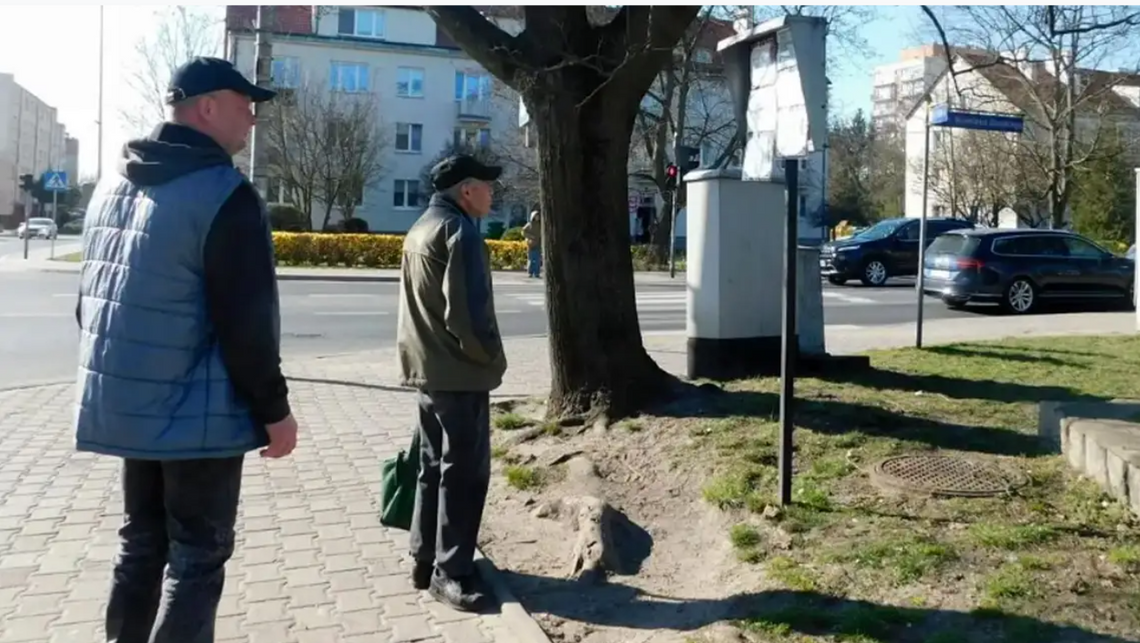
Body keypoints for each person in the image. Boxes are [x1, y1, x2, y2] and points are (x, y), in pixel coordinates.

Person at [74, 57, 298, 643]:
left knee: (141, 545)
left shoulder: (111, 185)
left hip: (131, 406)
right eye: (244, 104)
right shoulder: (226, 194)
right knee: (198, 557)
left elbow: (89, 306)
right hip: (198, 419)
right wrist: (275, 412)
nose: (252, 119)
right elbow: (246, 326)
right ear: (207, 107)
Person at [397, 154, 507, 612]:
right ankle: (453, 571)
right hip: (459, 373)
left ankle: (424, 559)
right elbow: (466, 315)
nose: (492, 193)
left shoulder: (420, 228)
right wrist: (490, 360)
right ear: (466, 190)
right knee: (463, 475)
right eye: (486, 185)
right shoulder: (459, 233)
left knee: (432, 467)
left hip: (426, 369)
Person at [522, 210, 542, 278]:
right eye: (536, 216)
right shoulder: (529, 224)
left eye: (538, 216)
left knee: (537, 260)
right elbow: (523, 232)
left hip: (538, 244)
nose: (537, 217)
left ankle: (537, 273)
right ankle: (530, 272)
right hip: (531, 244)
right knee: (531, 259)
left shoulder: (540, 225)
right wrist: (530, 237)